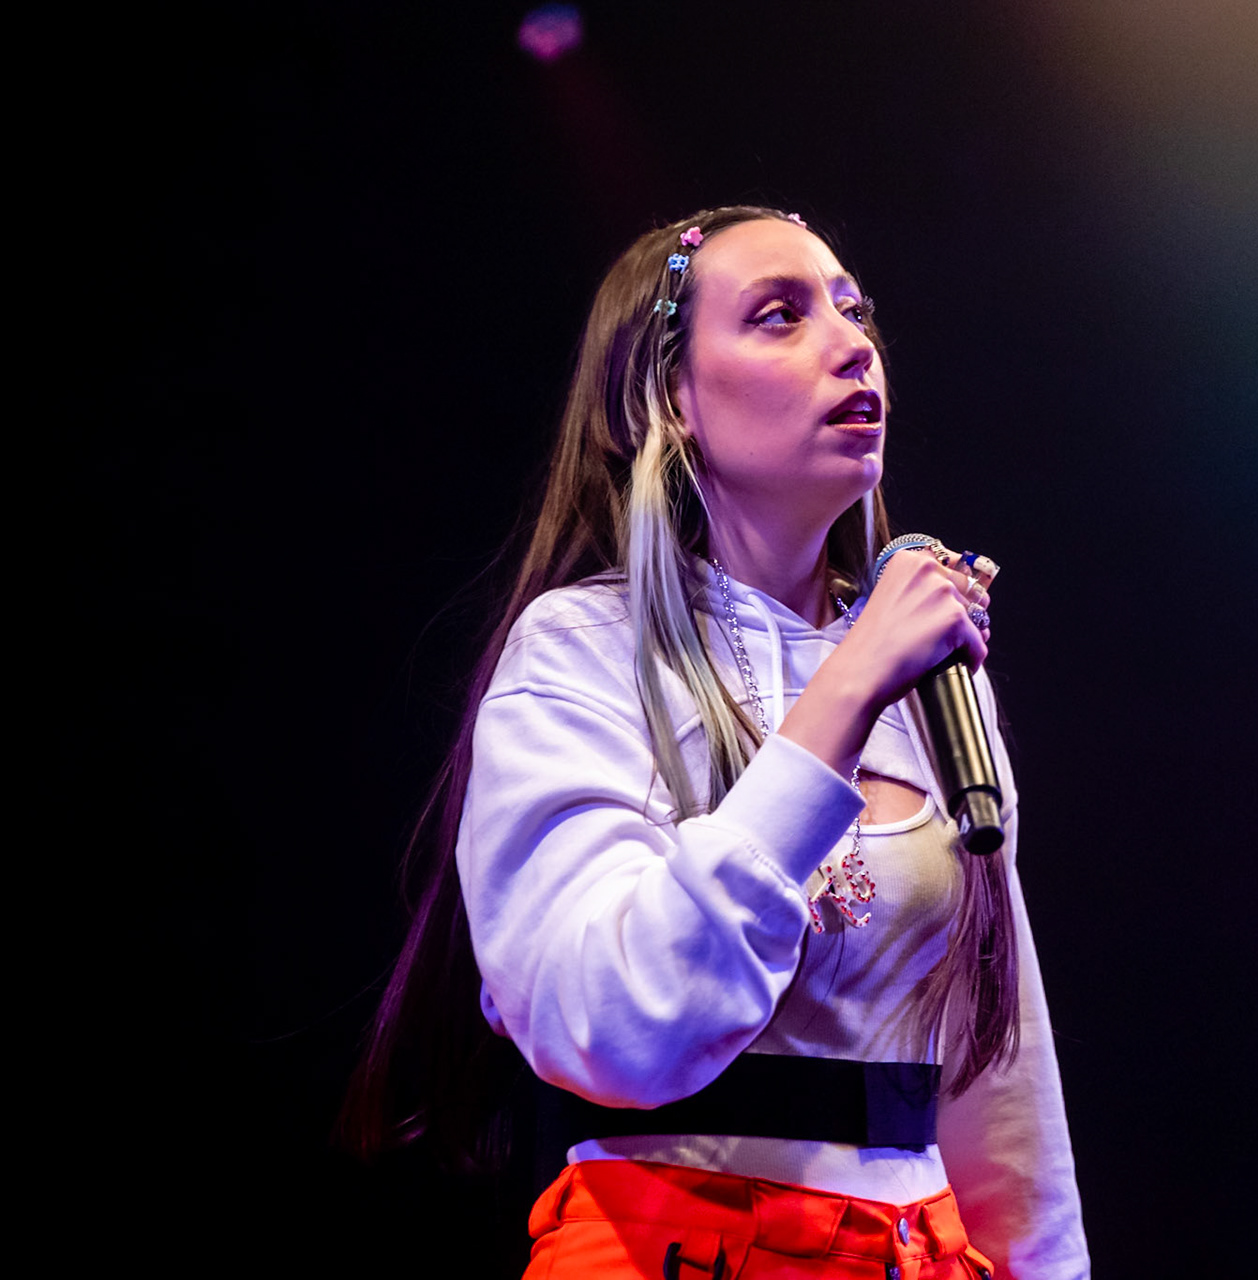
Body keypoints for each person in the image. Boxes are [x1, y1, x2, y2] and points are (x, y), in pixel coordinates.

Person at [343, 206, 1089, 1279]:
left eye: (852, 309)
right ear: (671, 399)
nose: (850, 342)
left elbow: (997, 1074)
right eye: (779, 316)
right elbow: (613, 1022)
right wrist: (843, 690)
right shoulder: (581, 650)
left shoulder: (928, 674)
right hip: (672, 1244)